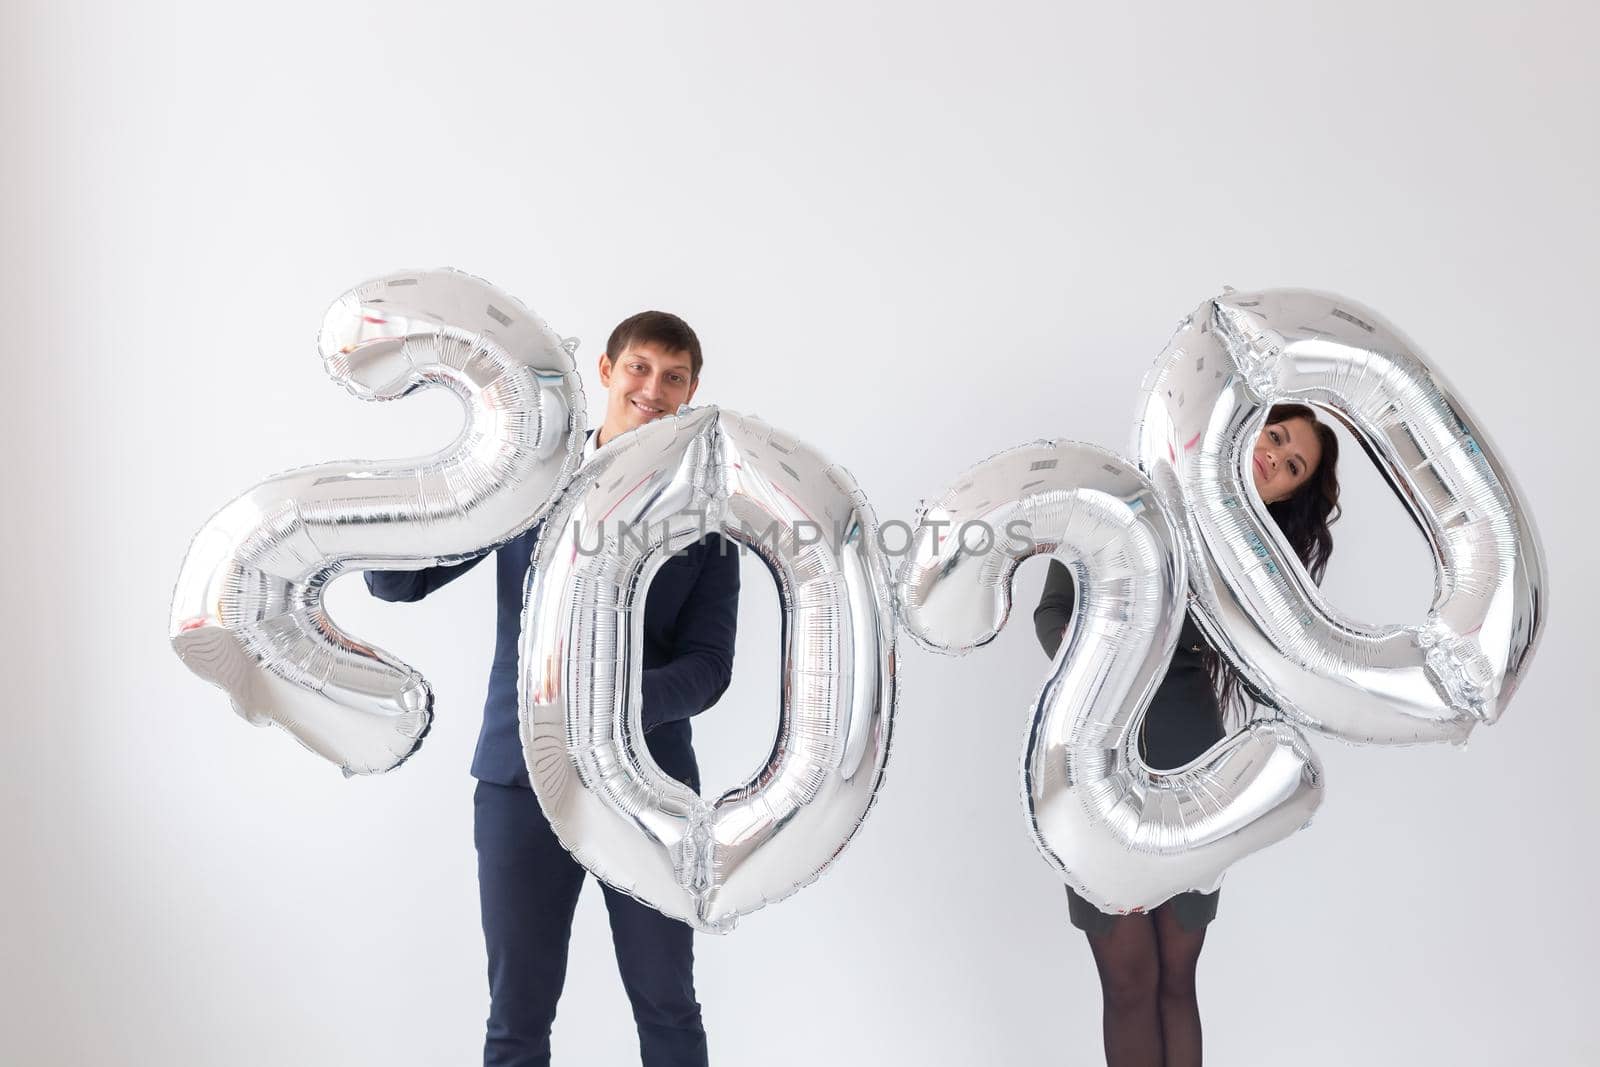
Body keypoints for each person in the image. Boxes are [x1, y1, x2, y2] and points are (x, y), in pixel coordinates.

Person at [366, 311, 740, 1067]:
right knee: (518, 1013)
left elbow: (708, 667)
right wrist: (433, 491)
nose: (652, 389)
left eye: (673, 377)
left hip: (652, 791)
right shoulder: (531, 482)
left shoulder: (710, 521)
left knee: (667, 1004)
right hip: (519, 782)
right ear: (606, 372)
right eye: (639, 368)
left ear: (692, 391)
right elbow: (395, 582)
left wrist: (608, 708)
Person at [1032, 403, 1342, 1067]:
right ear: (1251, 424)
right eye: (1278, 437)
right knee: (1128, 980)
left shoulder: (1255, 558)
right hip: (1097, 768)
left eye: (1292, 467)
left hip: (1198, 766)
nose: (1276, 458)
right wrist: (1093, 664)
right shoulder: (1127, 495)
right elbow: (1052, 608)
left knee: (1176, 979)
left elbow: (1275, 666)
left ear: (1288, 492)